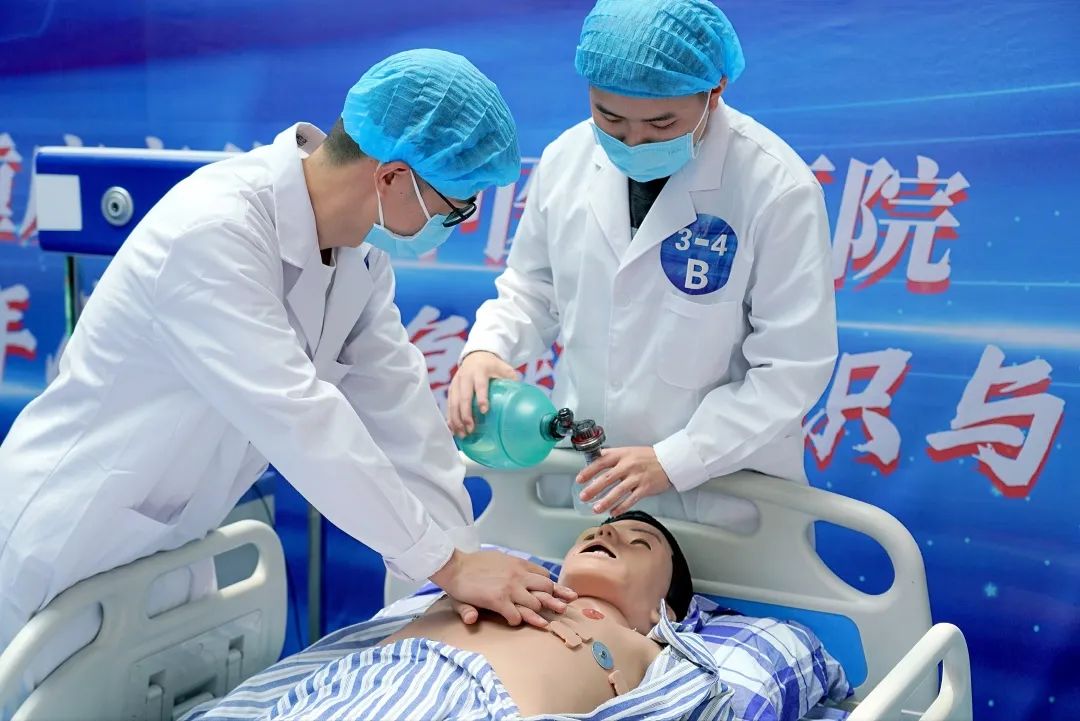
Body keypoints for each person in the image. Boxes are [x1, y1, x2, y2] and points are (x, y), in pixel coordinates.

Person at [0, 49, 576, 671]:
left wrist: (457, 567)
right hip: (62, 541)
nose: (455, 224)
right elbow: (302, 421)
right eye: (453, 207)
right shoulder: (214, 233)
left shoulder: (359, 256)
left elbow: (402, 413)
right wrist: (448, 566)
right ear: (391, 178)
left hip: (159, 551)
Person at [448, 0, 837, 529]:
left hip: (719, 496)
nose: (634, 141)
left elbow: (792, 367)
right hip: (588, 487)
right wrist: (489, 349)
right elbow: (532, 288)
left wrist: (678, 458)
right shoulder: (566, 159)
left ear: (715, 91)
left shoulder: (776, 188)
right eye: (610, 118)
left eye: (661, 122)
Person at [187, 511, 733, 721]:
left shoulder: (659, 652)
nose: (606, 530)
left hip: (482, 706)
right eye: (594, 531)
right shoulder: (493, 573)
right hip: (369, 679)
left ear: (665, 610)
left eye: (638, 542)